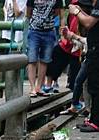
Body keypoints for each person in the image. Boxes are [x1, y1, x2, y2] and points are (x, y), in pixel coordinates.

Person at [69, 0, 99, 131]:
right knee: (91, 85)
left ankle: (96, 122)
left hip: (96, 50)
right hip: (93, 49)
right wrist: (80, 11)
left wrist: (75, 12)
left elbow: (88, 23)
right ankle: (93, 119)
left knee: (96, 87)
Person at [26, 0, 64, 97]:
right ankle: (32, 88)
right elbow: (28, 12)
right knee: (32, 59)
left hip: (49, 30)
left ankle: (39, 87)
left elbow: (57, 13)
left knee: (45, 60)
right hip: (34, 30)